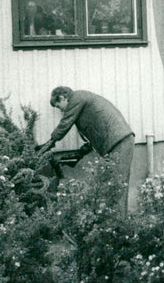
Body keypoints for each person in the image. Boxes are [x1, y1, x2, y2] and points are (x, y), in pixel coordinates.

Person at [38, 86, 134, 214]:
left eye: (58, 106)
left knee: (118, 184)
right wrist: (79, 154)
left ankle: (120, 223)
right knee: (111, 183)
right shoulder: (81, 104)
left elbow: (65, 124)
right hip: (115, 143)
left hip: (119, 141)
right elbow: (93, 135)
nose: (61, 111)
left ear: (62, 98)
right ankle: (115, 218)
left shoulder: (77, 98)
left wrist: (48, 144)